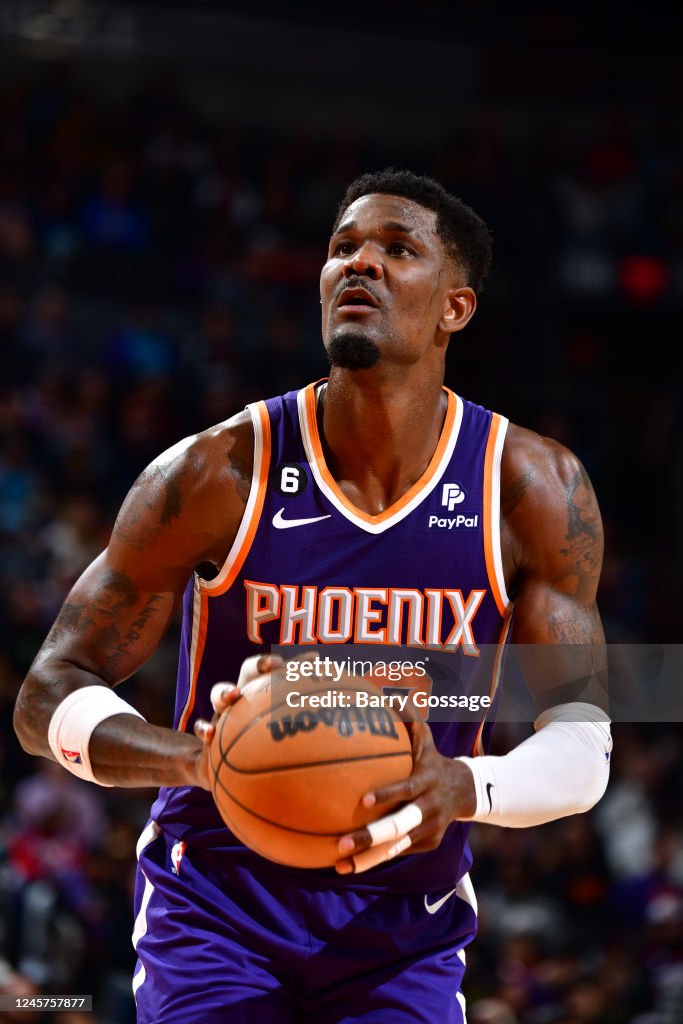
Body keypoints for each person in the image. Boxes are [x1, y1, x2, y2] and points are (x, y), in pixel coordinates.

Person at [14, 169, 612, 1023]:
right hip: (216, 901)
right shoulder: (216, 473)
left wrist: (463, 785)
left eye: (395, 249)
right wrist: (189, 759)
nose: (357, 265)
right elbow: (44, 697)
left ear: (455, 307)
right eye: (342, 248)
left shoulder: (530, 486)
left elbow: (583, 748)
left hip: (401, 920)